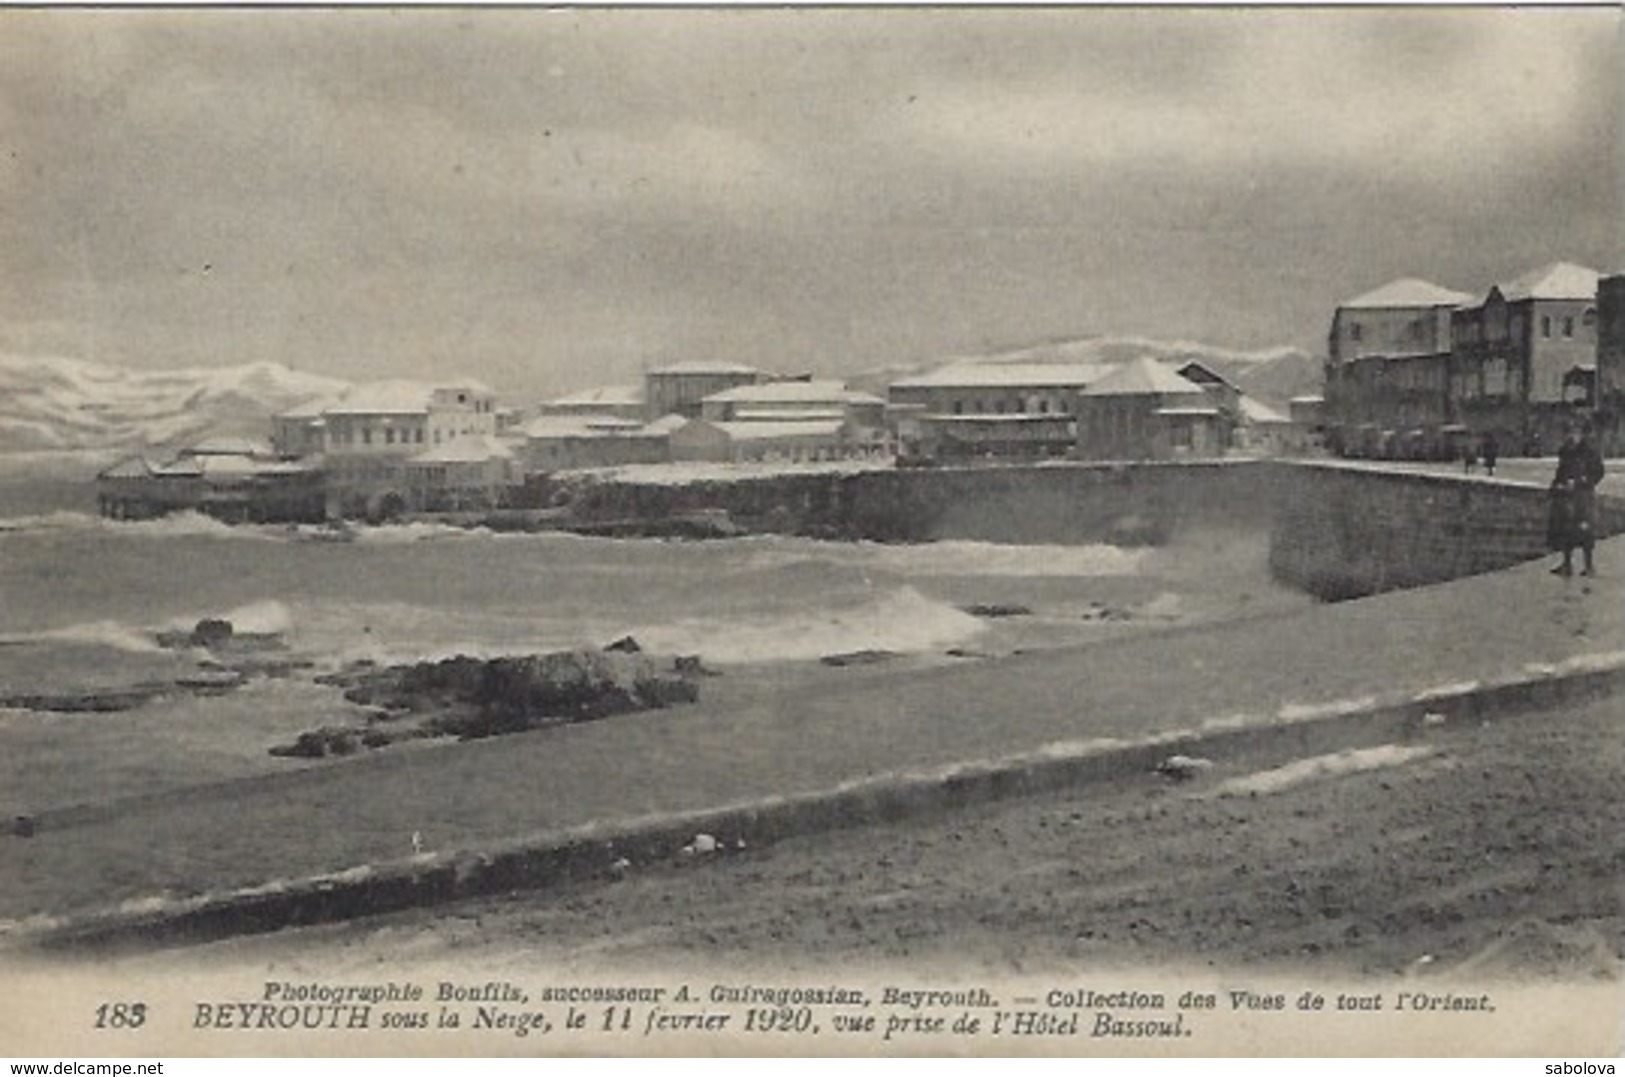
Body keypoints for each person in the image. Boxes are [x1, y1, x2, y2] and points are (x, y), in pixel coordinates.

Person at [1547, 421, 1605, 576]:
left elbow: (1599, 472)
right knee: (1566, 529)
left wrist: (1582, 481)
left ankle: (1588, 565)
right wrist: (1556, 485)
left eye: (1575, 432)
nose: (1572, 436)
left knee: (1585, 528)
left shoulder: (1590, 451)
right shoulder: (1566, 451)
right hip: (1567, 495)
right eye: (1570, 432)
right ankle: (1567, 563)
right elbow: (1560, 471)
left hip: (1583, 495)